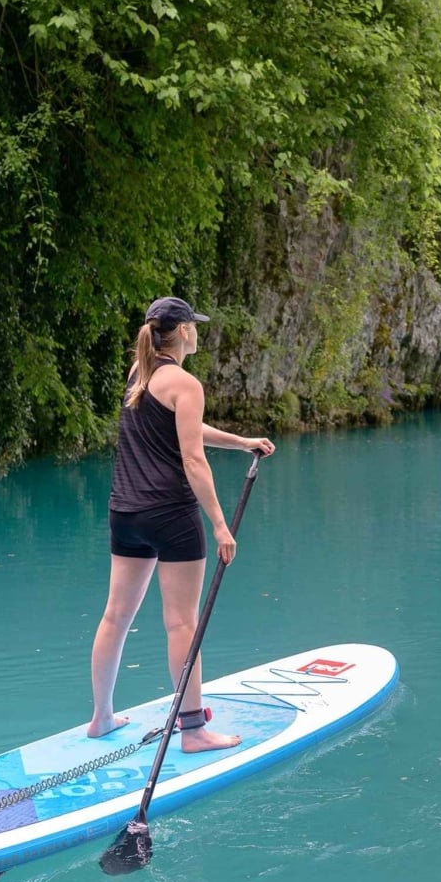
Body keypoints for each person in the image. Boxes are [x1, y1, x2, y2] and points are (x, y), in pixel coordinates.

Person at [87, 296, 275, 753]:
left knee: (116, 616)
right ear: (185, 331)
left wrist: (240, 441)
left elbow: (188, 431)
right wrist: (219, 524)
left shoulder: (140, 374)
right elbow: (192, 457)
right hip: (171, 516)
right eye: (196, 326)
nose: (198, 333)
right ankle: (193, 732)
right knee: (180, 624)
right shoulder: (186, 383)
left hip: (125, 513)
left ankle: (101, 718)